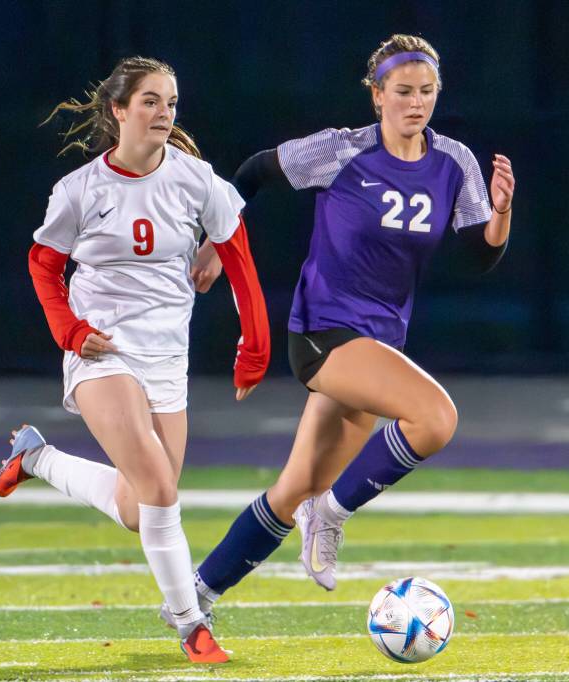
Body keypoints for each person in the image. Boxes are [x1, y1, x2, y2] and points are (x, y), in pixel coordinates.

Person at [164, 34, 515, 620]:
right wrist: (216, 244)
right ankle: (331, 513)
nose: (416, 102)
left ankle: (193, 596)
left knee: (290, 490)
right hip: (323, 332)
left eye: (427, 91)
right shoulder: (342, 152)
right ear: (377, 95)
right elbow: (252, 173)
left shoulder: (454, 162)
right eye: (402, 91)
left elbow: (480, 255)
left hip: (378, 344)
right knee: (435, 418)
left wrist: (501, 213)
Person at [0, 56, 270, 664]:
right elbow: (44, 265)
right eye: (150, 101)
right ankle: (190, 623)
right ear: (118, 110)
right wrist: (70, 329)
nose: (164, 113)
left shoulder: (197, 180)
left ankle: (35, 457)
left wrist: (256, 344)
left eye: (170, 102)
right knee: (161, 488)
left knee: (137, 507)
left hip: (168, 357)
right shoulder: (80, 190)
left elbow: (238, 256)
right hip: (102, 354)